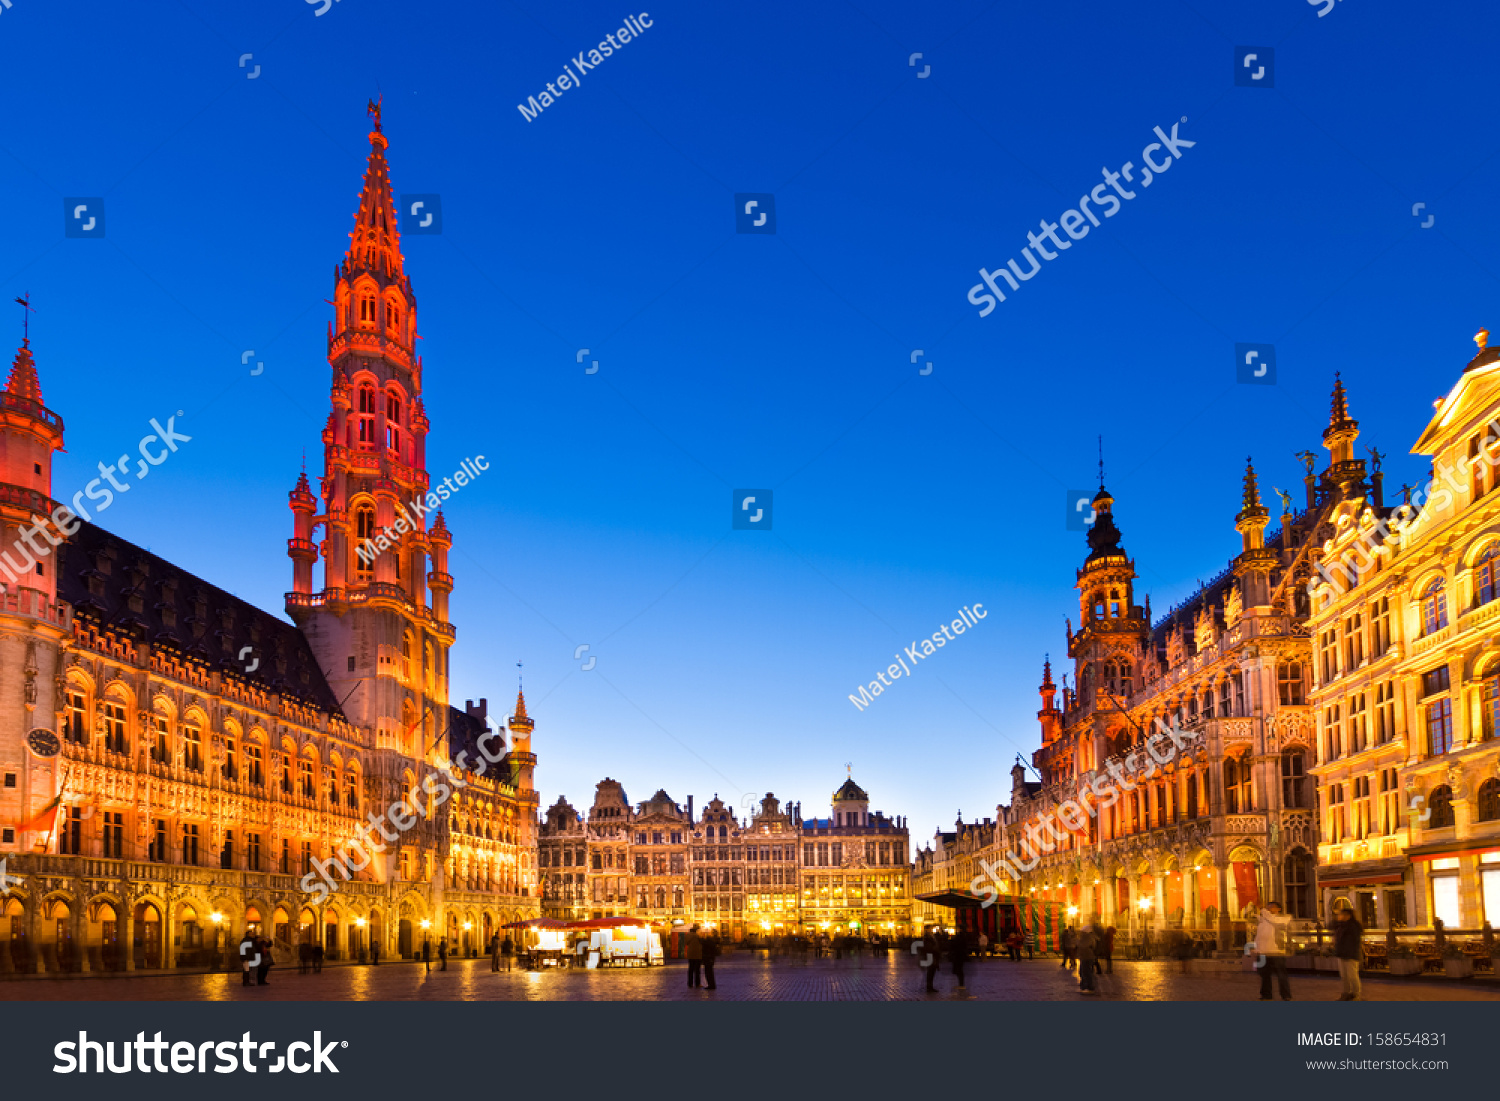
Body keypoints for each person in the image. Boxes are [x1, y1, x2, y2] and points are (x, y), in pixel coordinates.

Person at [1254, 900, 1294, 1001]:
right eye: (1267, 907)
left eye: (1271, 907)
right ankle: (1266, 994)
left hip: (1277, 951)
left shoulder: (1284, 918)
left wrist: (1263, 910)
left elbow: (1273, 920)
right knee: (1264, 975)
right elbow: (1259, 936)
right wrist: (1256, 948)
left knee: (1281, 975)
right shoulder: (1263, 920)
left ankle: (1286, 995)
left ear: (1278, 909)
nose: (1268, 909)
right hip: (1263, 951)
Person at [1333, 906, 1364, 1002]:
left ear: (1348, 915)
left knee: (1352, 975)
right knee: (1344, 976)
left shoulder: (1354, 926)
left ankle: (1356, 994)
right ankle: (1346, 993)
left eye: (1341, 914)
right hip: (1342, 953)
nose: (1339, 916)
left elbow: (1355, 942)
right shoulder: (1341, 925)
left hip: (1351, 954)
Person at [1076, 925, 1098, 994]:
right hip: (1085, 956)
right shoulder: (1087, 937)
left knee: (1086, 973)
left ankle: (1088, 987)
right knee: (1082, 972)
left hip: (1087, 957)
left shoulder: (1087, 937)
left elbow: (1082, 945)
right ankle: (1083, 987)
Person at [920, 927, 941, 993]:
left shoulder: (930, 938)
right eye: (929, 929)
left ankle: (930, 987)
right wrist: (935, 950)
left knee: (932, 972)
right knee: (930, 972)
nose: (930, 931)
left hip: (932, 956)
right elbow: (929, 948)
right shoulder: (927, 939)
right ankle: (929, 987)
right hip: (930, 957)